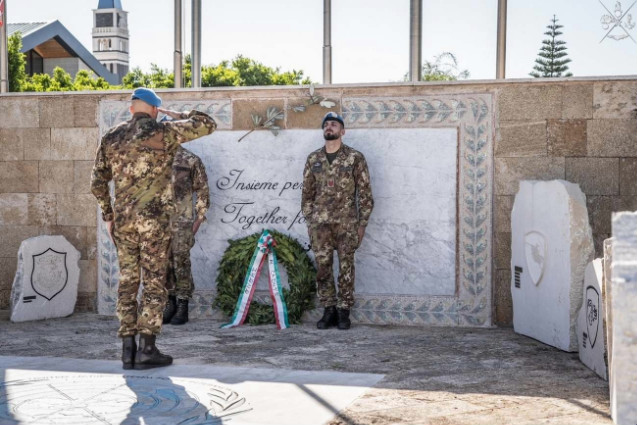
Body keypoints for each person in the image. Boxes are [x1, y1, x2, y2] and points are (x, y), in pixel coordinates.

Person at [91, 88, 216, 369]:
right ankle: (147, 349)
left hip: (124, 224)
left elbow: (97, 183)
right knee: (154, 283)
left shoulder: (112, 137)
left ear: (132, 108)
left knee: (127, 283)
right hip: (156, 225)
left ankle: (127, 350)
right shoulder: (165, 132)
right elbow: (208, 123)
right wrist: (177, 114)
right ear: (155, 110)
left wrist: (109, 216)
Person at [301, 112, 374, 330]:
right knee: (323, 268)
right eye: (326, 125)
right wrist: (310, 220)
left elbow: (365, 194)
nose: (329, 127)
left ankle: (344, 311)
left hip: (347, 224)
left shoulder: (354, 158)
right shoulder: (313, 159)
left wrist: (362, 225)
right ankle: (329, 309)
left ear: (342, 131)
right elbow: (306, 194)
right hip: (320, 226)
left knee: (346, 268)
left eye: (334, 124)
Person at [162, 145, 210, 325]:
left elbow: (203, 191)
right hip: (158, 222)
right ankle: (169, 302)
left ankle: (182, 304)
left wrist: (198, 220)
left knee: (181, 261)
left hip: (182, 222)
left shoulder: (190, 160)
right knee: (162, 262)